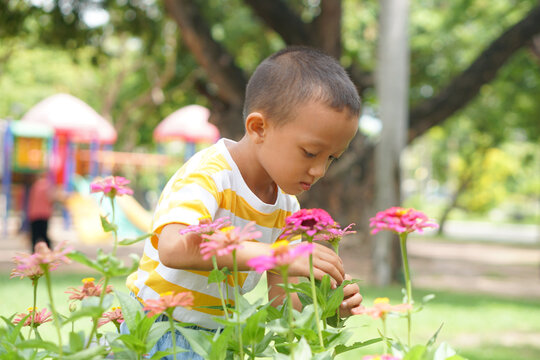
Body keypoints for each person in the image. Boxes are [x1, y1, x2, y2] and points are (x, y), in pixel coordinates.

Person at [124, 46, 364, 359]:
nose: (319, 170)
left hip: (222, 338)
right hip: (161, 330)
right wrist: (277, 255)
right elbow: (173, 246)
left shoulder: (287, 207)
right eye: (309, 152)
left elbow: (282, 308)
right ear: (259, 128)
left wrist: (326, 305)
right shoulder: (208, 176)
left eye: (332, 158)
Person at [27, 172, 59, 253]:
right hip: (44, 214)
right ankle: (50, 252)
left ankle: (34, 253)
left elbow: (31, 200)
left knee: (35, 236)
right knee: (44, 235)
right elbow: (51, 199)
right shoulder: (48, 185)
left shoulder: (35, 185)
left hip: (34, 214)